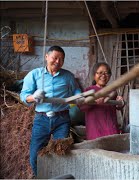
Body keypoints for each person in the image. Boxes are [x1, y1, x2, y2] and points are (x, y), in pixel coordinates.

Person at [20, 46, 82, 176]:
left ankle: (59, 177)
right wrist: (33, 97)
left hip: (62, 119)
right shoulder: (35, 74)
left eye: (61, 59)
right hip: (41, 119)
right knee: (35, 154)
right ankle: (41, 177)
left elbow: (76, 90)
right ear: (46, 57)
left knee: (61, 152)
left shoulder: (68, 76)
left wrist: (78, 96)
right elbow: (24, 95)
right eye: (55, 58)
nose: (58, 62)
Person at [79, 62, 124, 140]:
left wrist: (120, 103)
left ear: (110, 76)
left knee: (113, 147)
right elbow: (81, 107)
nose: (103, 76)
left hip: (111, 127)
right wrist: (94, 101)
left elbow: (118, 107)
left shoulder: (112, 91)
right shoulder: (89, 91)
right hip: (95, 129)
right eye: (100, 73)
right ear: (94, 75)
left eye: (106, 73)